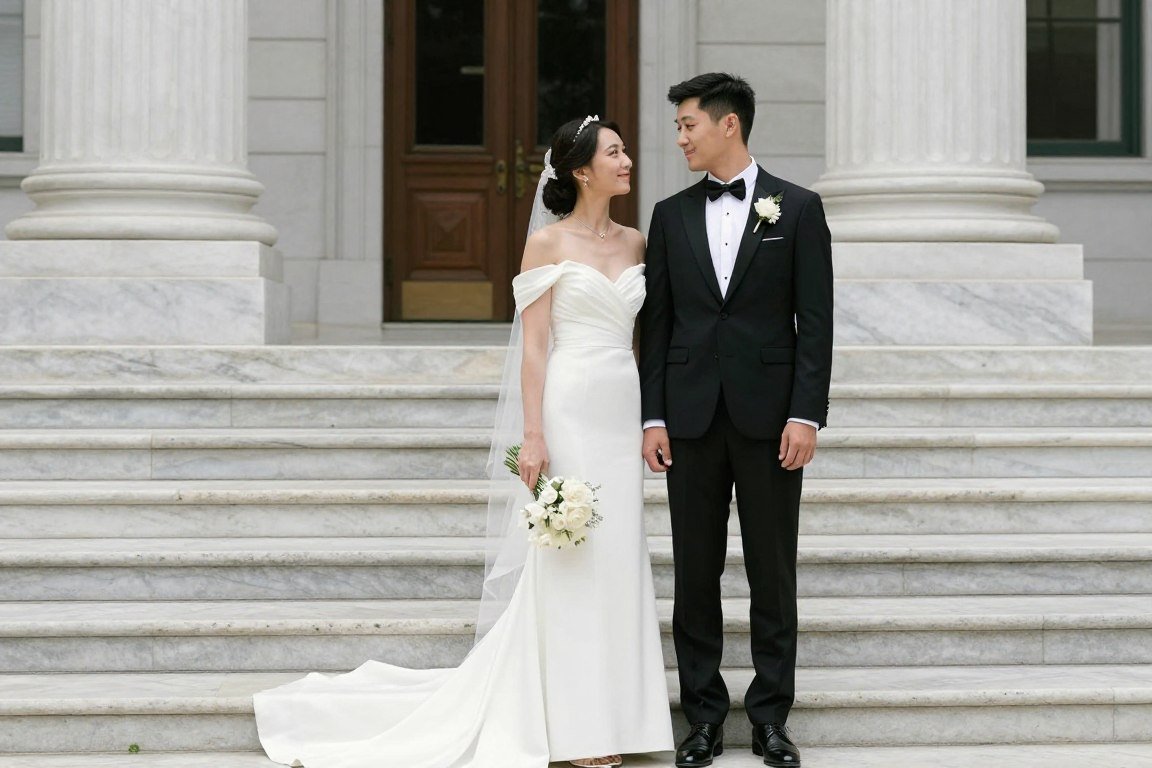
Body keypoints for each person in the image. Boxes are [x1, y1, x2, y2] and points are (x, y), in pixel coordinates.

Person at [251, 115, 674, 768]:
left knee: (618, 554)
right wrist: (533, 435)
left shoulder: (637, 243)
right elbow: (535, 348)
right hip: (569, 401)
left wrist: (653, 417)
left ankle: (620, 715)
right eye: (615, 152)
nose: (627, 160)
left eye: (624, 151)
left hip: (622, 404)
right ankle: (576, 728)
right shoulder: (547, 243)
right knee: (573, 554)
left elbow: (645, 338)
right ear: (583, 170)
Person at [638, 73, 834, 768]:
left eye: (688, 124)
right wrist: (652, 414)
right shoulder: (669, 215)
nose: (681, 137)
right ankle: (703, 719)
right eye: (679, 127)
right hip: (688, 421)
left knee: (772, 574)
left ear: (729, 125)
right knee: (694, 577)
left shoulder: (800, 209)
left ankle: (772, 719)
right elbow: (656, 326)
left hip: (770, 419)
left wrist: (806, 413)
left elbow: (815, 323)